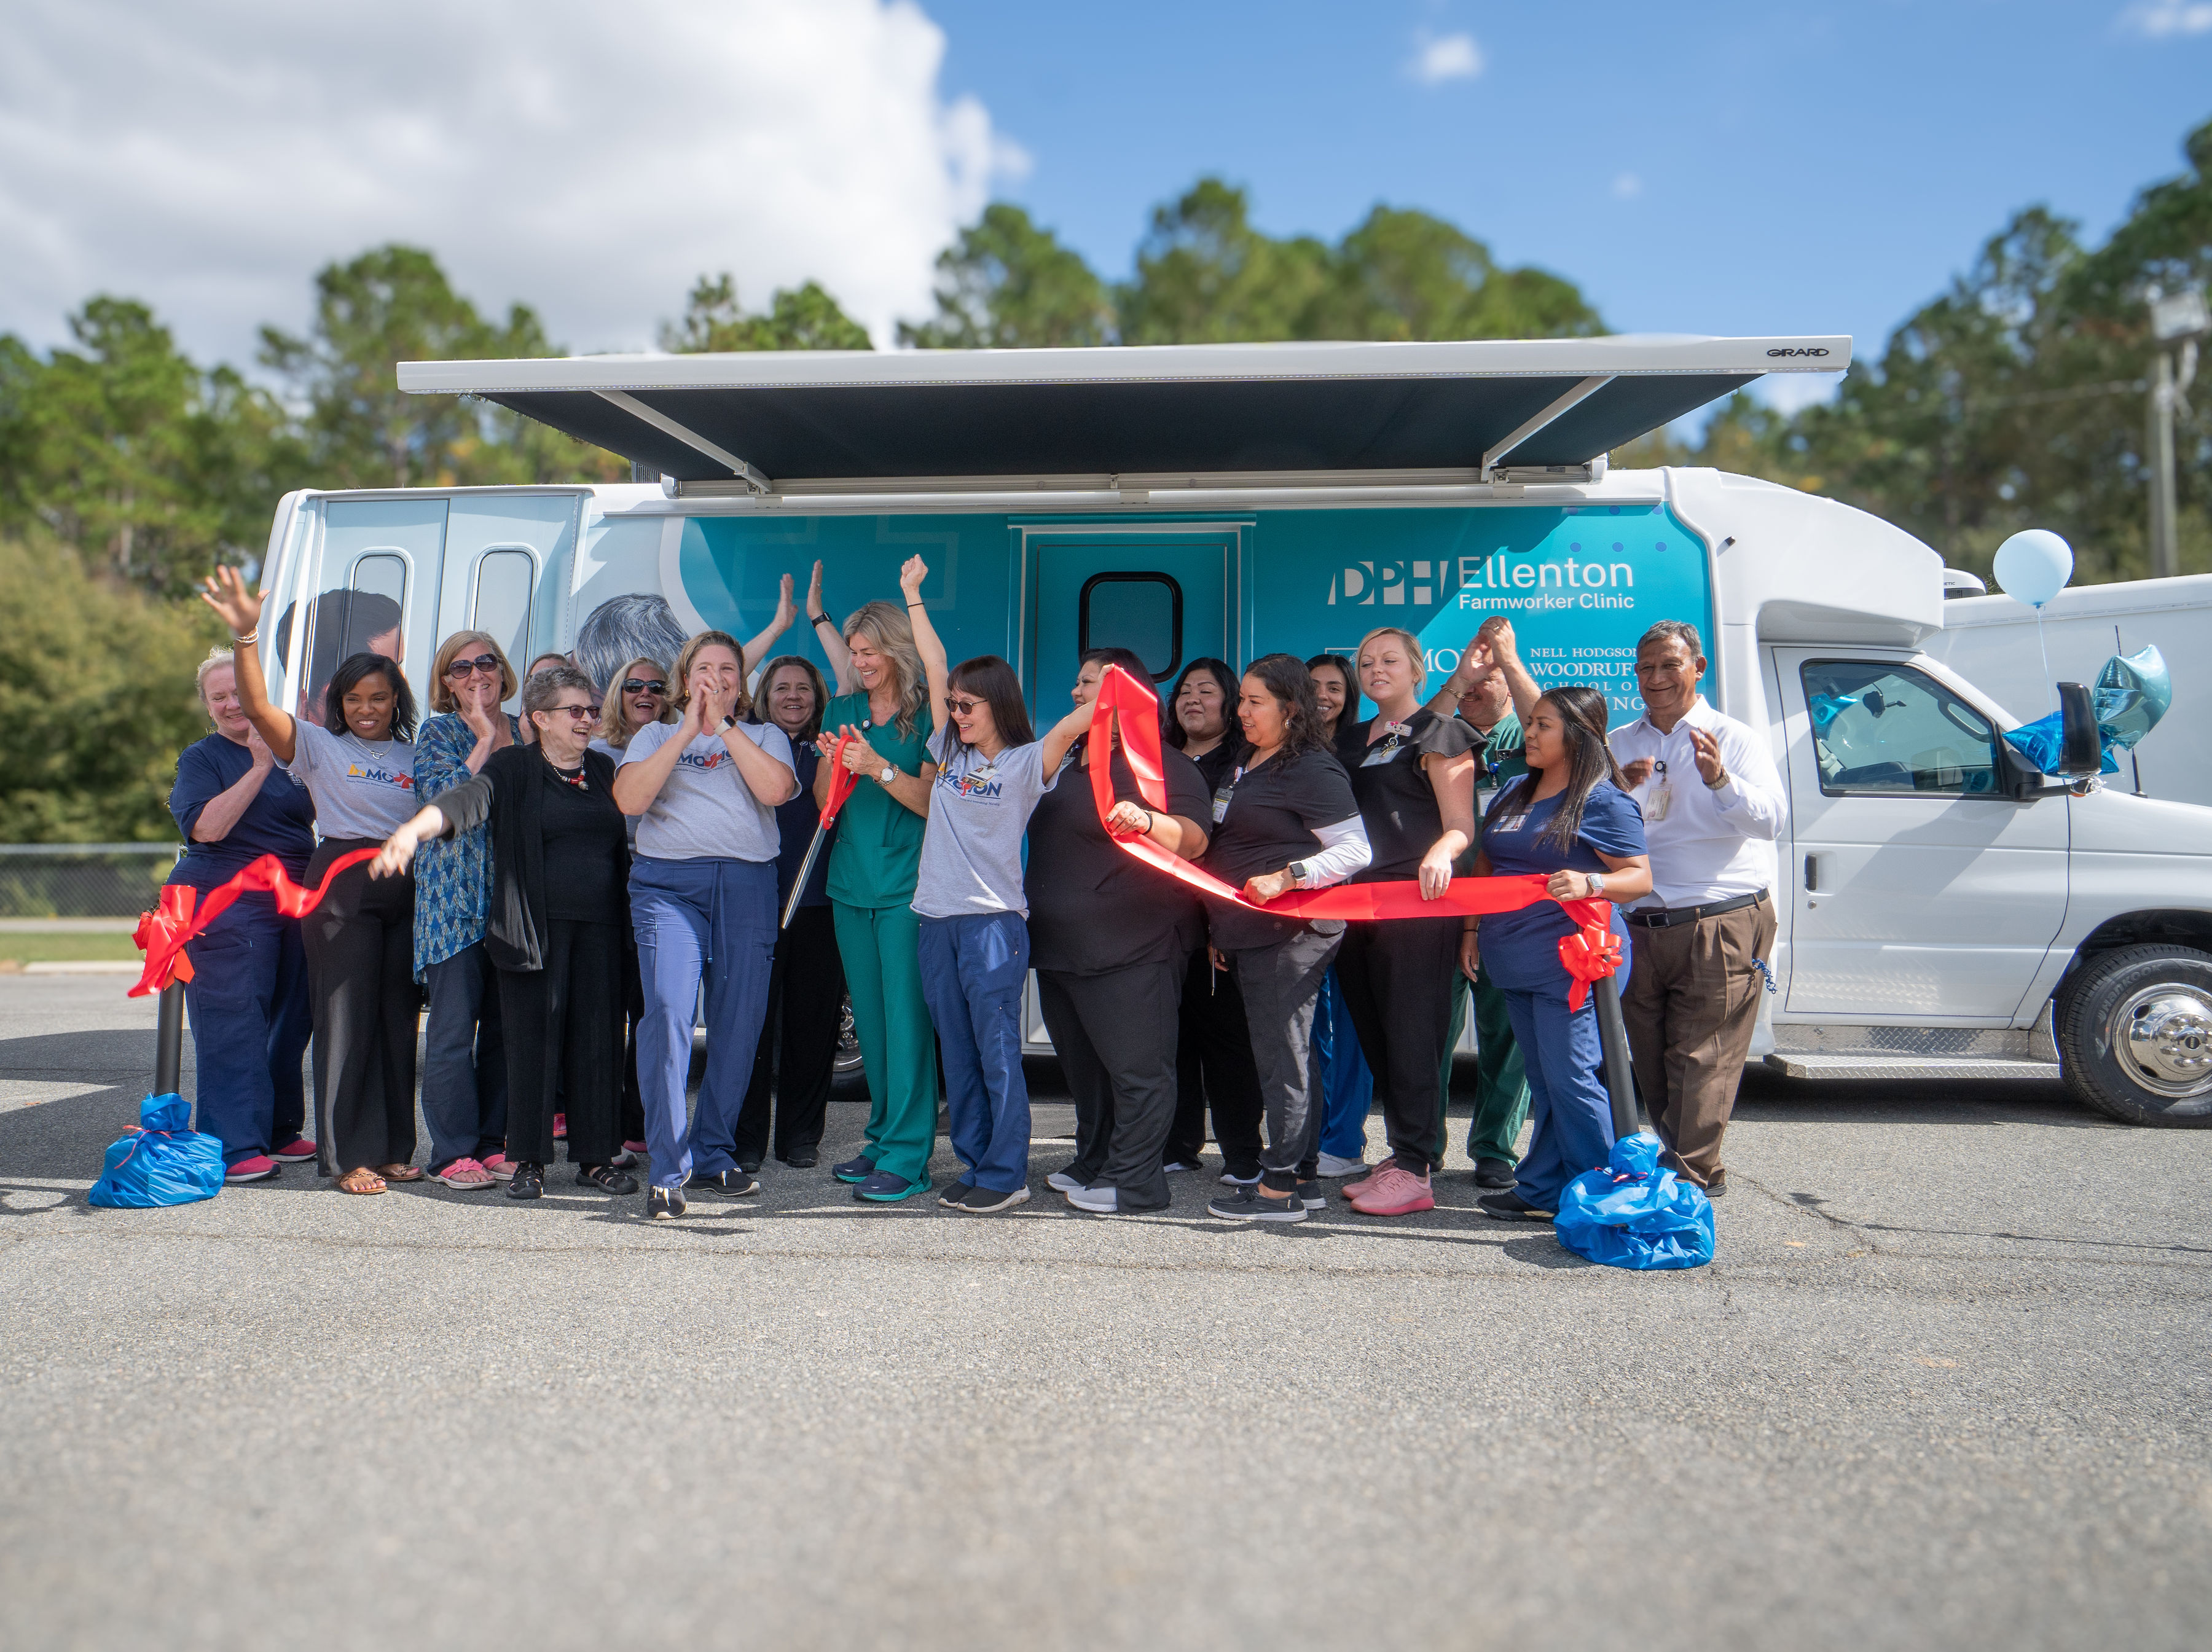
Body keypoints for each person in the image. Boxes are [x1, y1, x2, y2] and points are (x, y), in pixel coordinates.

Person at [369, 666, 639, 1203]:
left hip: (603, 932)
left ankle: (595, 1158)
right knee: (532, 1046)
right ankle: (530, 1161)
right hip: (533, 930)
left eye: (590, 710)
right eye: (576, 711)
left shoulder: (606, 769)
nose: (588, 719)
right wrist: (412, 830)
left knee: (598, 1042)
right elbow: (464, 801)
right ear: (540, 719)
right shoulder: (514, 766)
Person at [197, 566, 424, 1196]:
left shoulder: (414, 754)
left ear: (395, 699)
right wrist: (247, 638)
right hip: (343, 889)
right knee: (345, 1019)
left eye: (378, 697)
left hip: (405, 890)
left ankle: (393, 1148)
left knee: (397, 1020)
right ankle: (348, 1155)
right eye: (355, 699)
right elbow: (263, 709)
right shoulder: (319, 746)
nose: (367, 708)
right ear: (338, 704)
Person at [907, 594, 1096, 1214]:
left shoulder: (1023, 762)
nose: (956, 711)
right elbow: (933, 661)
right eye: (953, 703)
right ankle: (974, 1161)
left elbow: (1075, 725)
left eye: (968, 704)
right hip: (936, 920)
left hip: (993, 925)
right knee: (956, 1053)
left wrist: (1118, 688)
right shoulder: (950, 750)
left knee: (995, 1054)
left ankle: (1007, 1172)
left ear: (999, 704)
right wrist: (914, 594)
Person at [613, 630, 799, 1220]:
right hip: (669, 887)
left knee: (740, 1023)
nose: (715, 677)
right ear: (684, 678)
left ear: (740, 684)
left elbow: (776, 790)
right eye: (704, 668)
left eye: (727, 669)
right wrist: (691, 729)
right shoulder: (656, 733)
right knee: (667, 1012)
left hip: (746, 886)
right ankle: (668, 1169)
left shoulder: (764, 735)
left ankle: (714, 1148)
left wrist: (723, 728)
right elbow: (630, 800)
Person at [1028, 649, 1213, 1215]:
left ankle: (1136, 1181)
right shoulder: (1069, 761)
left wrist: (1147, 820)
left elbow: (1196, 838)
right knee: (1086, 1072)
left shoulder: (1163, 764)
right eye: (1077, 682)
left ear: (1122, 693)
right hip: (1061, 950)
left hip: (1133, 949)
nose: (1076, 693)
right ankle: (1095, 1159)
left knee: (1139, 1072)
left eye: (1088, 683)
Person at [1609, 620, 1785, 1199]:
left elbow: (1772, 821)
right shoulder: (1620, 741)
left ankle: (1687, 1182)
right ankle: (1677, 1165)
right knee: (1652, 1060)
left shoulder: (1732, 738)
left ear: (1698, 667)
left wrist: (1720, 781)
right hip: (1639, 924)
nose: (1655, 678)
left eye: (1669, 665)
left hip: (1719, 919)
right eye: (1645, 667)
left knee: (1703, 1057)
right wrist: (1617, 789)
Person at [1464, 684, 1652, 1221]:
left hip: (1573, 961)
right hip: (1511, 955)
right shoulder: (1515, 791)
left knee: (1572, 1075)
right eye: (1531, 723)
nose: (1530, 732)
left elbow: (1639, 878)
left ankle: (1609, 1197)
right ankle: (1544, 1185)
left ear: (1577, 734)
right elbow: (1486, 862)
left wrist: (1592, 883)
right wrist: (1472, 930)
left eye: (1543, 724)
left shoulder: (1604, 800)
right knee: (1545, 1077)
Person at [1199, 654, 1373, 1223]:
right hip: (1250, 932)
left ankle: (1278, 1190)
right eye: (1241, 700)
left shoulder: (1311, 769)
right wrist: (1225, 927)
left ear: (1289, 708)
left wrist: (1288, 876)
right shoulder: (1248, 761)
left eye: (1254, 702)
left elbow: (1355, 850)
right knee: (1290, 1058)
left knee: (1284, 1061)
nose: (1240, 711)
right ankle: (1304, 1178)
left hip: (1292, 932)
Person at [1332, 627, 1477, 1218]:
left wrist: (1442, 851)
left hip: (1414, 905)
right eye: (1365, 662)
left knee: (1414, 1032)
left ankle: (1416, 1166)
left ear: (1418, 669)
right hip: (1351, 907)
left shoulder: (1442, 732)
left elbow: (1462, 823)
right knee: (1376, 1032)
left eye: (1389, 660)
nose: (1375, 670)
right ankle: (1403, 1153)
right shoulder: (1346, 741)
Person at [164, 647, 317, 1183]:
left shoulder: (292, 751)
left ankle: (278, 1128)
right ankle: (232, 1145)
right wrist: (257, 766)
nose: (232, 704)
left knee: (293, 1015)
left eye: (239, 693)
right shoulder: (203, 759)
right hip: (226, 898)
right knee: (235, 1017)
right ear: (208, 708)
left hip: (295, 896)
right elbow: (206, 829)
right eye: (219, 697)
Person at [814, 573, 941, 1205]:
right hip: (850, 884)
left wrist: (878, 767)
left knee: (907, 1025)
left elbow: (930, 801)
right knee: (871, 1023)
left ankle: (911, 1156)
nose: (861, 662)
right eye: (854, 652)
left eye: (870, 651)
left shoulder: (924, 716)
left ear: (895, 650)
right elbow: (822, 806)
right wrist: (832, 765)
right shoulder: (842, 711)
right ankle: (884, 1135)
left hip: (905, 889)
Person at [1425, 620, 1537, 1189]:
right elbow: (1408, 732)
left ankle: (1494, 1147)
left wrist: (1510, 660)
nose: (1473, 684)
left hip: (1509, 913)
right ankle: (1423, 1144)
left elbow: (1565, 731)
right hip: (1438, 907)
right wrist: (1460, 675)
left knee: (1506, 1036)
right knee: (1432, 1032)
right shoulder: (1443, 734)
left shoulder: (1533, 735)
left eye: (1487, 674)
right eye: (1467, 672)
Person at [409, 630, 520, 1191]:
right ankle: (451, 1152)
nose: (476, 674)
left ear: (503, 671)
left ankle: (493, 1143)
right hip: (452, 904)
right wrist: (480, 737)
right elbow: (444, 806)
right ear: (446, 682)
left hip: (515, 906)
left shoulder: (528, 731)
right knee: (453, 1032)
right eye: (461, 668)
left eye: (487, 662)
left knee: (505, 1032)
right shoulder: (439, 732)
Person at [735, 654, 846, 1172]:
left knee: (812, 1024)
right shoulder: (747, 744)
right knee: (751, 1025)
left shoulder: (831, 748)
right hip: (755, 903)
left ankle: (800, 1135)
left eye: (804, 688)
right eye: (782, 688)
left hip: (820, 903)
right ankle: (745, 1138)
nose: (794, 696)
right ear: (765, 695)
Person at [1158, 657, 1267, 1182]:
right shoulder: (1156, 760)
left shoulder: (1243, 763)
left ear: (1231, 704)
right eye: (1184, 690)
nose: (1192, 699)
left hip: (1219, 920)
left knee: (1227, 1041)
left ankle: (1244, 1152)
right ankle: (1178, 1143)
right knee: (1171, 1036)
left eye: (1207, 690)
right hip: (1161, 921)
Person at [593, 653, 677, 1167]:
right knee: (605, 1013)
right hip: (607, 889)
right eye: (633, 685)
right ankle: (600, 1128)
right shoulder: (595, 749)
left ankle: (639, 1123)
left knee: (648, 1009)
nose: (645, 693)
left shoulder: (674, 742)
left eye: (656, 685)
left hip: (658, 887)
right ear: (616, 694)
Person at [1304, 651, 1377, 1180]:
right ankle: (1315, 1127)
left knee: (1351, 1022)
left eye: (1335, 686)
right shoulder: (1278, 749)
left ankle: (1346, 1138)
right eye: (1313, 686)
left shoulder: (1364, 745)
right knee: (1310, 1025)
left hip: (1358, 901)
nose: (1323, 696)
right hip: (1303, 903)